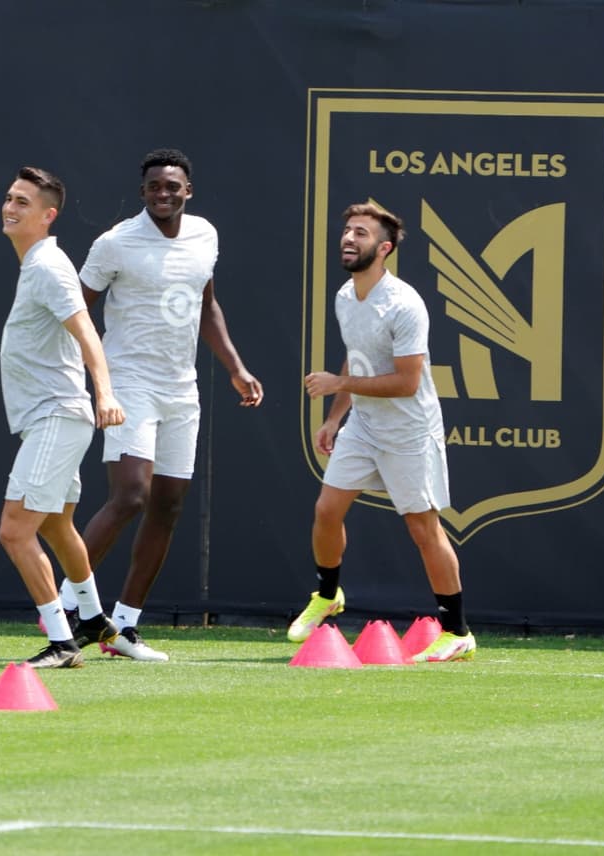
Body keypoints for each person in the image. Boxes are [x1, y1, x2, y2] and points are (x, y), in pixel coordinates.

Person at [72, 148, 263, 662]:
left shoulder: (205, 236)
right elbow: (76, 310)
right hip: (128, 382)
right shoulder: (114, 243)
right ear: (142, 193)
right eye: (154, 186)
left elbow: (207, 305)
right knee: (131, 495)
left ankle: (126, 627)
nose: (163, 193)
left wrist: (235, 367)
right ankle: (68, 603)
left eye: (172, 186)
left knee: (169, 505)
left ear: (188, 191)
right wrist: (91, 379)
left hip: (183, 390)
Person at [295, 201, 475, 662]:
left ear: (385, 248)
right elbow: (356, 360)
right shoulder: (343, 296)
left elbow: (406, 381)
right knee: (326, 510)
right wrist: (336, 417)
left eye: (361, 233)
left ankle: (457, 631)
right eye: (348, 231)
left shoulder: (404, 304)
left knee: (423, 529)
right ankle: (328, 594)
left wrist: (340, 385)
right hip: (364, 425)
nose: (349, 239)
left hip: (409, 432)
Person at [0, 166, 126, 669]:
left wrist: (106, 392)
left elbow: (87, 331)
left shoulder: (49, 267)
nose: (10, 207)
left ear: (48, 216)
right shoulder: (35, 266)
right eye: (9, 197)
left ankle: (61, 640)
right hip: (49, 417)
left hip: (59, 415)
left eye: (23, 202)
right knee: (55, 523)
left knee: (14, 530)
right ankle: (93, 619)